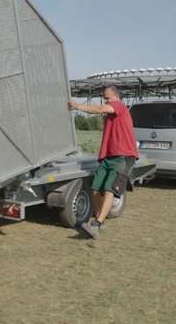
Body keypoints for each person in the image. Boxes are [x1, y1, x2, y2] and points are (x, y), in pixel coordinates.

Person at [68, 86, 138, 239]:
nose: (105, 101)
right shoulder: (112, 111)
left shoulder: (119, 106)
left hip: (123, 156)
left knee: (109, 190)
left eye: (108, 98)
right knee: (95, 189)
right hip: (108, 156)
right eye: (104, 98)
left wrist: (78, 106)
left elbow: (99, 109)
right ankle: (101, 221)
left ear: (117, 97)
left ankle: (97, 224)